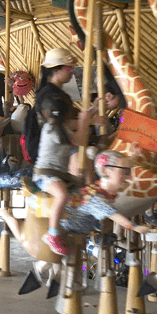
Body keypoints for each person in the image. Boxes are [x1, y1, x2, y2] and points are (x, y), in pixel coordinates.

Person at [33, 48, 92, 255]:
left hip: (58, 167)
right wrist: (85, 121)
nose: (72, 71)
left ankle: (77, 225)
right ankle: (53, 232)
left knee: (84, 183)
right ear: (56, 69)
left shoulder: (59, 116)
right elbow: (80, 139)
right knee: (63, 194)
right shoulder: (53, 119)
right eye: (69, 68)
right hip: (48, 170)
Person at [62, 150, 150, 237]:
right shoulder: (94, 198)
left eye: (129, 171)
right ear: (105, 171)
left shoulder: (99, 188)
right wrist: (135, 228)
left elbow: (123, 164)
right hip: (72, 232)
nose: (130, 177)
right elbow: (114, 215)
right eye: (125, 172)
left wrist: (134, 155)